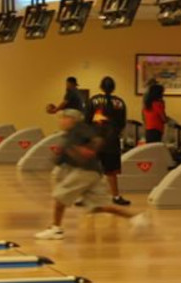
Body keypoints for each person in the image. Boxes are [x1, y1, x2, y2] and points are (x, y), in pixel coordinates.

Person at [35, 109, 150, 240]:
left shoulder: (80, 129)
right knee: (98, 206)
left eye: (64, 118)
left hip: (84, 171)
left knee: (60, 197)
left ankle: (55, 229)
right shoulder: (71, 133)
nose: (61, 121)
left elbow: (97, 140)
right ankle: (136, 218)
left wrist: (88, 150)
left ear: (72, 119)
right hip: (92, 172)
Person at [85, 76, 130, 206]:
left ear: (101, 86)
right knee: (111, 172)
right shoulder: (120, 102)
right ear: (113, 87)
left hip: (95, 139)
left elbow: (87, 120)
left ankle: (86, 196)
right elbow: (122, 122)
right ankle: (115, 196)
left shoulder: (93, 100)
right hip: (112, 141)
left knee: (90, 170)